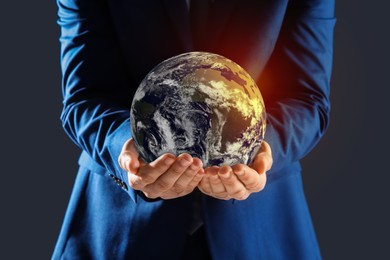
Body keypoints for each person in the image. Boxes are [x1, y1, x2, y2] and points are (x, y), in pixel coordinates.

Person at [53, 0, 336, 259]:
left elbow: (307, 98)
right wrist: (125, 147)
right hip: (119, 230)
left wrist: (262, 149)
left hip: (260, 230)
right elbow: (84, 96)